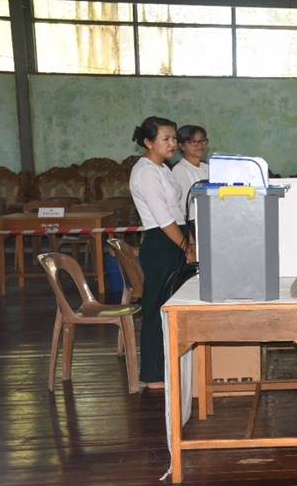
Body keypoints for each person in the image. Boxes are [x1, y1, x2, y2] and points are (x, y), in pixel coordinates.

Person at [129, 116, 195, 390]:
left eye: (173, 138)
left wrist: (190, 242)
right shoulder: (145, 172)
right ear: (148, 142)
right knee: (156, 308)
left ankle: (169, 365)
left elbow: (178, 211)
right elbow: (163, 217)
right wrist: (185, 247)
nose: (172, 144)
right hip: (161, 242)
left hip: (175, 237)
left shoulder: (163, 168)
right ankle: (152, 374)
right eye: (165, 139)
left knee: (172, 306)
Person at [172, 124, 210, 232]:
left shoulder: (208, 168)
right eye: (194, 142)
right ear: (181, 146)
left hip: (211, 219)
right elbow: (186, 205)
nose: (200, 145)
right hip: (194, 224)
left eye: (202, 141)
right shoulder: (180, 169)